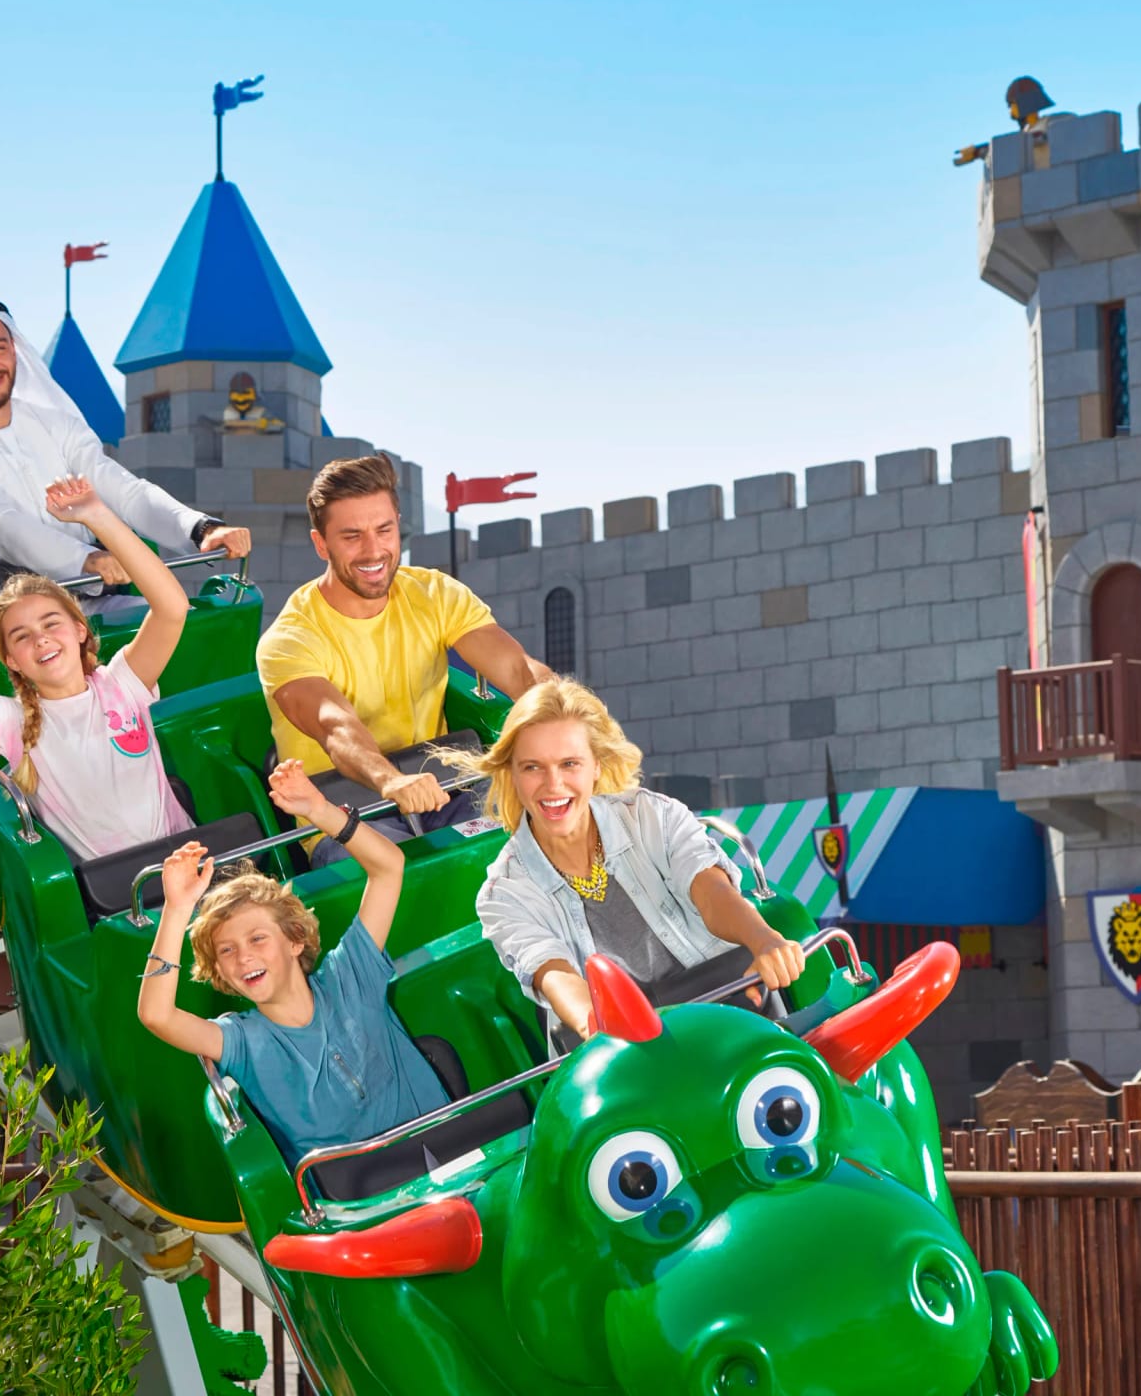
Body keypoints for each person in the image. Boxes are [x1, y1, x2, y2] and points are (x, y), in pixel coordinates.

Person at [456, 678, 807, 1049]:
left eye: (569, 763)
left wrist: (763, 939)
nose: (553, 784)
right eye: (532, 767)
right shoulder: (504, 893)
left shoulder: (652, 815)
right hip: (622, 1052)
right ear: (512, 773)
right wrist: (598, 1023)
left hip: (724, 1008)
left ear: (596, 766)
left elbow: (710, 890)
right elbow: (553, 973)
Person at [137, 760, 449, 1167]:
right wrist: (177, 910)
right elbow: (157, 1015)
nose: (243, 955)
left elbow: (388, 867)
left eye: (257, 939)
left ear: (295, 941)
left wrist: (318, 809)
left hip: (445, 1148)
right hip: (362, 1199)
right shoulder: (243, 1041)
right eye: (226, 951)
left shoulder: (349, 974)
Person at [0, 297, 249, 643]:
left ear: (14, 351)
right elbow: (1, 524)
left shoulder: (54, 424)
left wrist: (199, 528)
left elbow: (122, 488)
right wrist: (85, 561)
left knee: (187, 629)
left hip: (87, 606)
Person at [256, 454, 552, 862]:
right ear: (320, 543)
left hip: (448, 784)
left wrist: (573, 717)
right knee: (387, 871)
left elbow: (519, 669)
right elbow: (335, 727)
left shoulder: (434, 593)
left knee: (544, 815)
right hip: (346, 811)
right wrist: (390, 781)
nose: (373, 550)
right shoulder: (289, 639)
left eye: (384, 530)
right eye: (352, 536)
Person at [0, 482, 193, 862]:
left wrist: (99, 515)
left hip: (186, 859)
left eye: (51, 624)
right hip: (119, 894)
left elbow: (172, 608)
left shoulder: (122, 684)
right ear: (11, 660)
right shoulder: (13, 721)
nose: (41, 640)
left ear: (80, 629)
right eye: (22, 636)